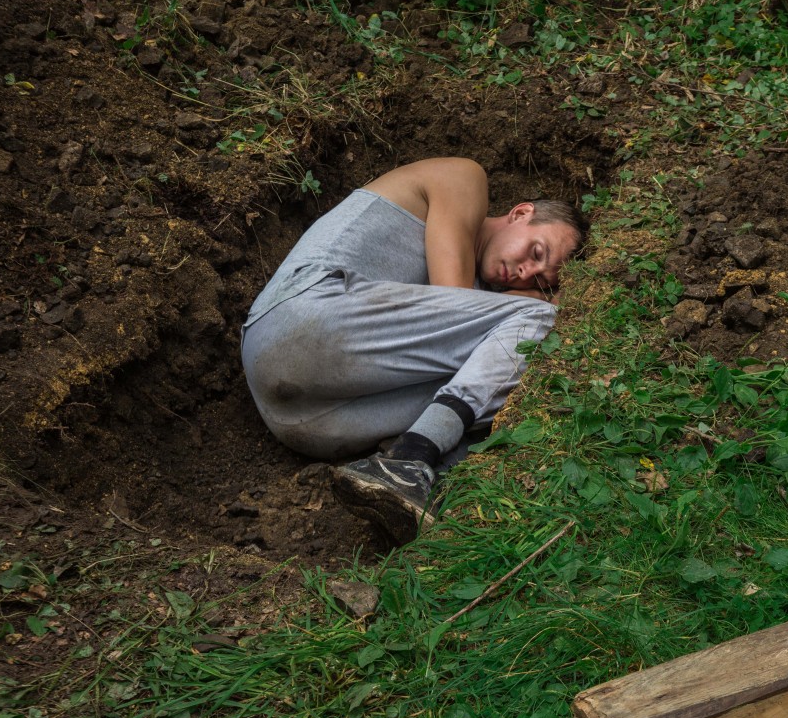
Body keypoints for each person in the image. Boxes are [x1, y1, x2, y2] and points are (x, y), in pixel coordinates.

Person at [240, 158, 587, 544]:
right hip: (303, 315)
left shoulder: (476, 323)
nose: (524, 272)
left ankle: (413, 467)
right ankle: (417, 456)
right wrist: (543, 302)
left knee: (503, 371)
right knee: (540, 323)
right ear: (521, 212)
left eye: (539, 279)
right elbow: (453, 296)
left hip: (306, 423)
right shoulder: (462, 178)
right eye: (535, 253)